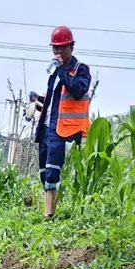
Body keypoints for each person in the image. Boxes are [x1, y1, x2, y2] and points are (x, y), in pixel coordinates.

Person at [32, 26, 91, 219]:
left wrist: (62, 70)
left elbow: (77, 90)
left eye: (62, 48)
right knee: (43, 171)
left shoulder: (80, 69)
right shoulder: (54, 73)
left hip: (62, 129)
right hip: (47, 126)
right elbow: (54, 101)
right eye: (55, 48)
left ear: (71, 47)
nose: (58, 52)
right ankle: (46, 211)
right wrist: (37, 101)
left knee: (52, 171)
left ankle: (50, 216)